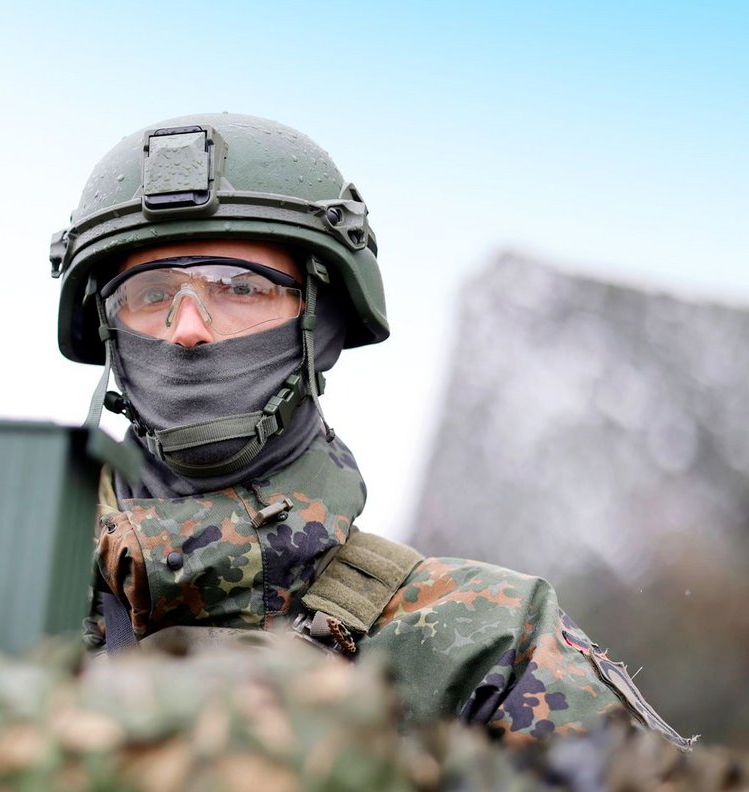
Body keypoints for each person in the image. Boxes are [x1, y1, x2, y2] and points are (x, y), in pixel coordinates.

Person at [49, 113, 691, 748]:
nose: (187, 327)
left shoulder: (481, 645)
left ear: (320, 323)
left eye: (240, 287)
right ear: (111, 330)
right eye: (151, 293)